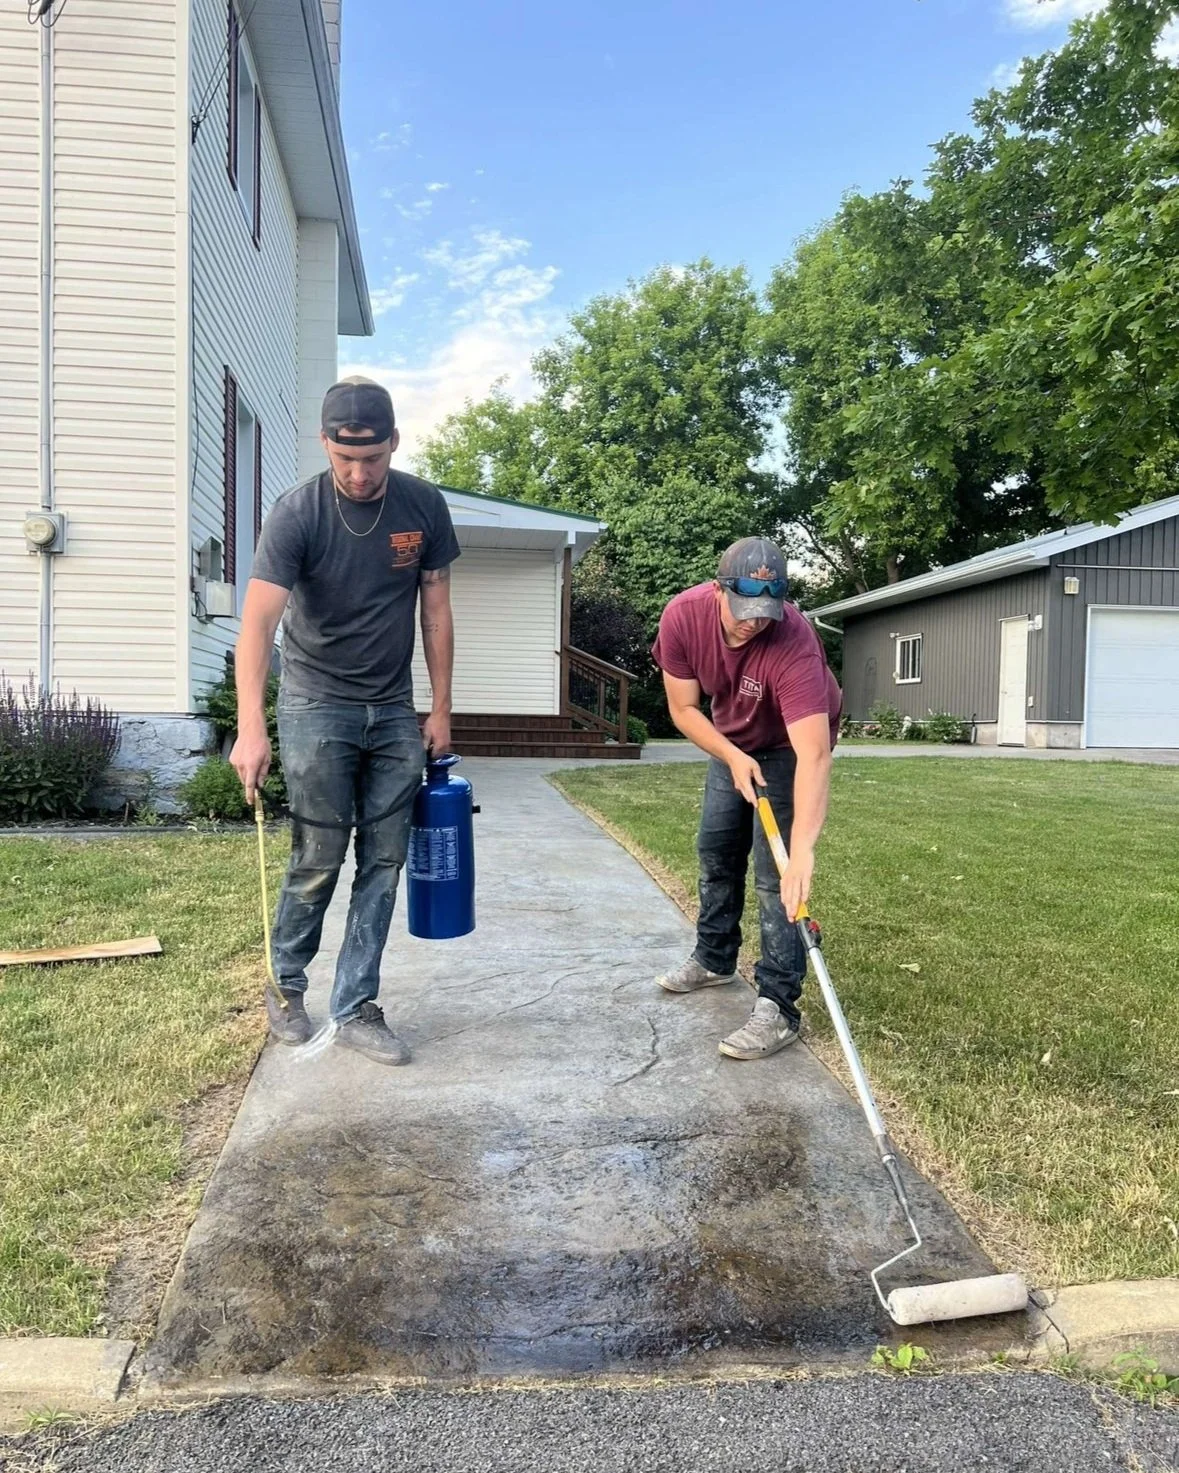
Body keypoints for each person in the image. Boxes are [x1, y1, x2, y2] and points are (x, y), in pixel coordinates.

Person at [230, 377, 460, 1065]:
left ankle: (357, 1004)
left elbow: (436, 610)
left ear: (393, 441)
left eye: (372, 458)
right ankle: (286, 985)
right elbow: (259, 619)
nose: (359, 473)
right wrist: (251, 723)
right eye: (344, 457)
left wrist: (441, 705)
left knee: (383, 862)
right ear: (325, 443)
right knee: (318, 858)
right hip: (315, 702)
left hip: (391, 708)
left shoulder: (422, 506)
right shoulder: (296, 512)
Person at [651, 537, 842, 1060]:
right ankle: (714, 960)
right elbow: (685, 709)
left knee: (774, 875)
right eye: (742, 610)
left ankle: (778, 1007)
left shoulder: (794, 640)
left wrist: (802, 851)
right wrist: (733, 756)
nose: (753, 623)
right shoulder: (683, 617)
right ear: (719, 590)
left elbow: (815, 755)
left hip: (786, 745)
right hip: (730, 740)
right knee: (715, 849)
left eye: (765, 613)